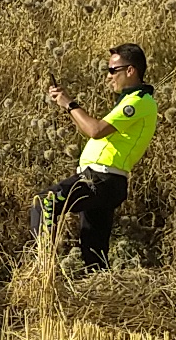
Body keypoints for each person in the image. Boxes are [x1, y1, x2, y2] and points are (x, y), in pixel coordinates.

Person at [34, 44, 159, 272]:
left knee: (44, 203)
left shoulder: (138, 101)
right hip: (105, 181)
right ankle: (106, 297)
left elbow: (95, 130)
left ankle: (39, 273)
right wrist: (67, 106)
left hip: (101, 178)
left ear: (130, 71)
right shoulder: (131, 100)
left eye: (112, 70)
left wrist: (69, 104)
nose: (108, 76)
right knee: (94, 252)